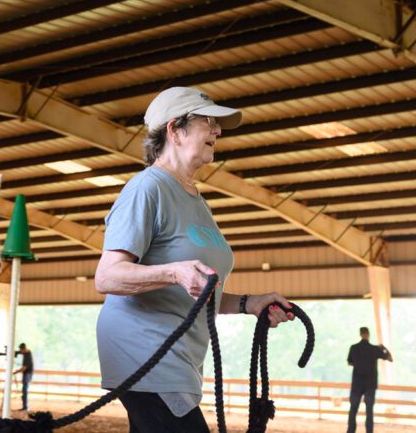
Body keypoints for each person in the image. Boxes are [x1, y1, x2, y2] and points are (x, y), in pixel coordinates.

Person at [94, 86, 295, 433]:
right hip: (145, 354)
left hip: (180, 360)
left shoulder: (196, 200)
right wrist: (173, 271)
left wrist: (251, 303)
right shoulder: (147, 188)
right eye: (208, 122)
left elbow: (200, 290)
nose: (218, 131)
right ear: (175, 130)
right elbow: (108, 276)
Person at [346, 326, 393, 433]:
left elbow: (349, 362)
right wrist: (384, 348)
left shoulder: (353, 348)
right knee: (369, 411)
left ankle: (350, 431)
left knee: (353, 410)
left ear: (360, 334)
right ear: (368, 334)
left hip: (357, 384)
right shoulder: (375, 349)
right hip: (370, 384)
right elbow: (390, 359)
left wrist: (359, 364)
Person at [13, 342, 34, 410]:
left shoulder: (28, 356)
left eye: (21, 350)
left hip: (27, 374)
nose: (21, 352)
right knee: (24, 390)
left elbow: (24, 368)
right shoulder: (26, 353)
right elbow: (19, 352)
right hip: (27, 374)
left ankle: (25, 406)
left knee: (25, 390)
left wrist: (16, 372)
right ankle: (25, 406)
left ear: (23, 349)